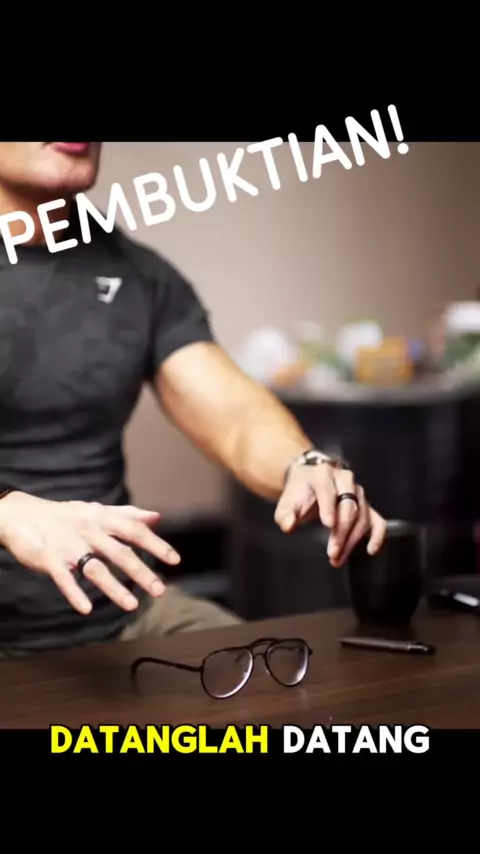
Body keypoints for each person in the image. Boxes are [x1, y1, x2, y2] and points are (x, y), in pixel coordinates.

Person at [0, 142, 386, 656]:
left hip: (123, 614)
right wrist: (8, 511)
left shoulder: (137, 275)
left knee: (285, 683)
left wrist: (305, 464)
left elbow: (236, 419)